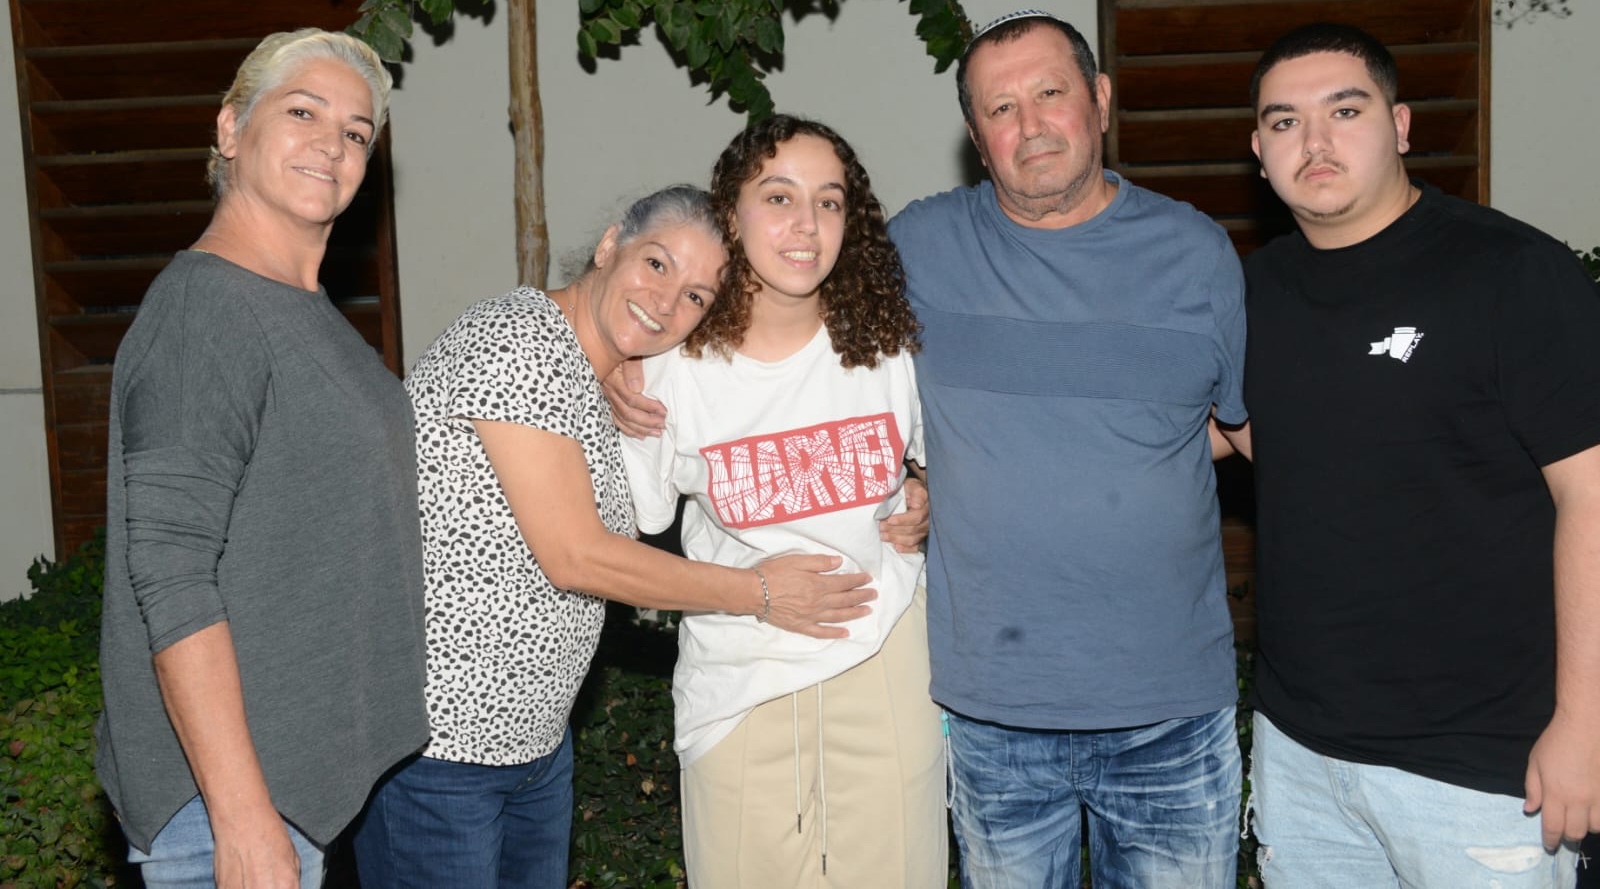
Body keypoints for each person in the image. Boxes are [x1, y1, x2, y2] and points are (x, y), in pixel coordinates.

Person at [610, 9, 1247, 888]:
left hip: (1145, 705)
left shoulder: (1194, 254)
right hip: (968, 708)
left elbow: (1228, 428)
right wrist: (617, 359)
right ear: (975, 136)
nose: (1029, 124)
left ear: (1100, 100)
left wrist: (929, 486)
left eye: (1051, 94)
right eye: (1000, 108)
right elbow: (627, 522)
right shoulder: (918, 251)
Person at [351, 184, 902, 889]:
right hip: (440, 749)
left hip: (534, 747)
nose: (668, 301)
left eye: (699, 296)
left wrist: (905, 481)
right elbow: (576, 555)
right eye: (657, 263)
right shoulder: (516, 339)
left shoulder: (597, 377)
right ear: (610, 245)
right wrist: (757, 591)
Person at [1232, 22, 1600, 888]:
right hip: (1301, 757)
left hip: (1483, 769)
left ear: (1400, 125)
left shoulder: (1512, 273)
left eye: (1344, 110)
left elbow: (1592, 497)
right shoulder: (1251, 293)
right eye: (1284, 122)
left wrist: (1584, 721)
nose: (1314, 141)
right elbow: (1194, 435)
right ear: (1258, 148)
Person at [95, 28, 427, 889]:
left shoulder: (300, 308)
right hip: (227, 809)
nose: (334, 143)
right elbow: (170, 575)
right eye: (303, 111)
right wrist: (243, 819)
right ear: (230, 130)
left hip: (285, 793)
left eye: (356, 132)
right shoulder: (209, 311)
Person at [617, 115, 943, 887]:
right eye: (778, 197)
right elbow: (626, 531)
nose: (806, 224)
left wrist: (929, 494)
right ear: (729, 213)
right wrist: (607, 371)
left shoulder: (887, 346)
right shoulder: (669, 367)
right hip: (739, 680)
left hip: (884, 654)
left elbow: (943, 463)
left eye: (829, 202)